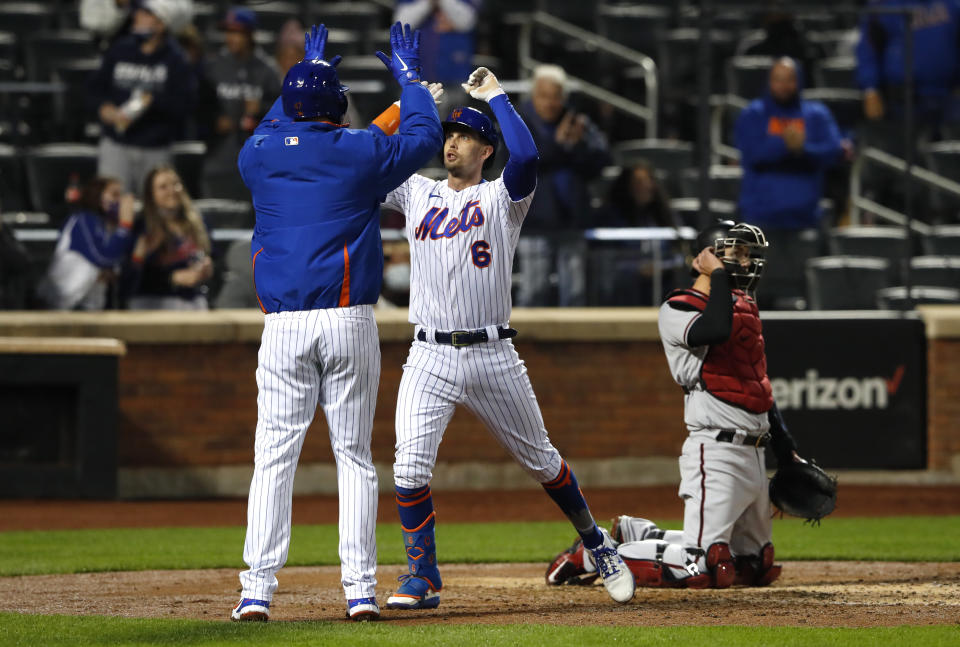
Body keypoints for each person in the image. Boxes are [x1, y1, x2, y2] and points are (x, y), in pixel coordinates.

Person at [379, 66, 635, 611]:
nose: (452, 142)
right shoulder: (417, 191)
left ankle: (597, 542)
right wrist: (407, 104)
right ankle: (423, 577)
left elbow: (529, 157)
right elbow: (367, 158)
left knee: (542, 460)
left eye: (466, 135)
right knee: (407, 468)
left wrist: (495, 97)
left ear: (486, 150)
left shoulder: (503, 199)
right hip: (428, 352)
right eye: (449, 133)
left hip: (494, 352)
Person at [229, 23, 443, 623]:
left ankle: (257, 591)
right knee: (352, 456)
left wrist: (304, 69)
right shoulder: (359, 152)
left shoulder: (259, 154)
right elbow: (423, 135)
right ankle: (359, 591)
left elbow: (280, 121)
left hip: (284, 327)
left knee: (273, 458)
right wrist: (408, 81)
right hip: (348, 320)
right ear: (337, 107)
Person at [546, 220, 808, 590]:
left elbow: (757, 387)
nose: (746, 264)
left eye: (748, 255)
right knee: (700, 567)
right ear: (706, 258)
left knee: (753, 567)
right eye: (736, 254)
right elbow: (714, 329)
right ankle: (594, 554)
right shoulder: (678, 306)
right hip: (715, 451)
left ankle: (640, 532)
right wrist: (716, 275)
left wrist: (787, 452)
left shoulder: (743, 306)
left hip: (754, 454)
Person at [516, 64, 611, 307]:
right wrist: (559, 145)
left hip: (571, 220)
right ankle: (524, 344)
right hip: (534, 220)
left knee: (575, 292)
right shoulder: (517, 121)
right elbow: (525, 162)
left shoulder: (575, 121)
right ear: (533, 95)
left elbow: (602, 161)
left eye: (556, 97)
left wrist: (578, 146)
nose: (550, 103)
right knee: (533, 291)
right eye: (544, 96)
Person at [89, 0, 197, 195]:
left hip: (155, 148)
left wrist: (153, 103)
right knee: (112, 206)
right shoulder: (120, 49)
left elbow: (185, 104)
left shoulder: (176, 59)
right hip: (116, 144)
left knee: (155, 209)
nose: (136, 17)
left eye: (145, 13)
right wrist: (104, 107)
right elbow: (95, 88)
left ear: (161, 23)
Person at [202, 6, 281, 199]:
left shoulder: (267, 70)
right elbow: (198, 109)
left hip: (258, 163)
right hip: (218, 159)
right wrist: (213, 122)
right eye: (229, 32)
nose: (231, 38)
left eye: (238, 32)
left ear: (251, 34)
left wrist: (260, 110)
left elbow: (283, 116)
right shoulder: (213, 67)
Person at [856, 0, 960, 139]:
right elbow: (868, 50)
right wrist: (870, 88)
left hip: (950, 96)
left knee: (949, 158)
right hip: (905, 101)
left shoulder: (952, 3)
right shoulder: (882, 6)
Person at [121, 165, 213, 309]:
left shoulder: (197, 221)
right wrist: (171, 278)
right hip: (152, 302)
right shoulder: (142, 226)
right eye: (163, 187)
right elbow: (131, 277)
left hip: (193, 299)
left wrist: (207, 267)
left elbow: (212, 255)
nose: (172, 191)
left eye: (176, 184)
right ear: (151, 194)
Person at [38, 177, 136, 310]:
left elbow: (121, 261)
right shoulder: (82, 219)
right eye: (114, 194)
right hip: (64, 301)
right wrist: (125, 225)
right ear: (98, 195)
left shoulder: (110, 226)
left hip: (90, 304)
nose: (120, 201)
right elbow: (103, 257)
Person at [598, 161, 678, 229]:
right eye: (639, 182)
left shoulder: (664, 214)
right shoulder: (610, 217)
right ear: (627, 186)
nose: (647, 186)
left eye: (649, 180)